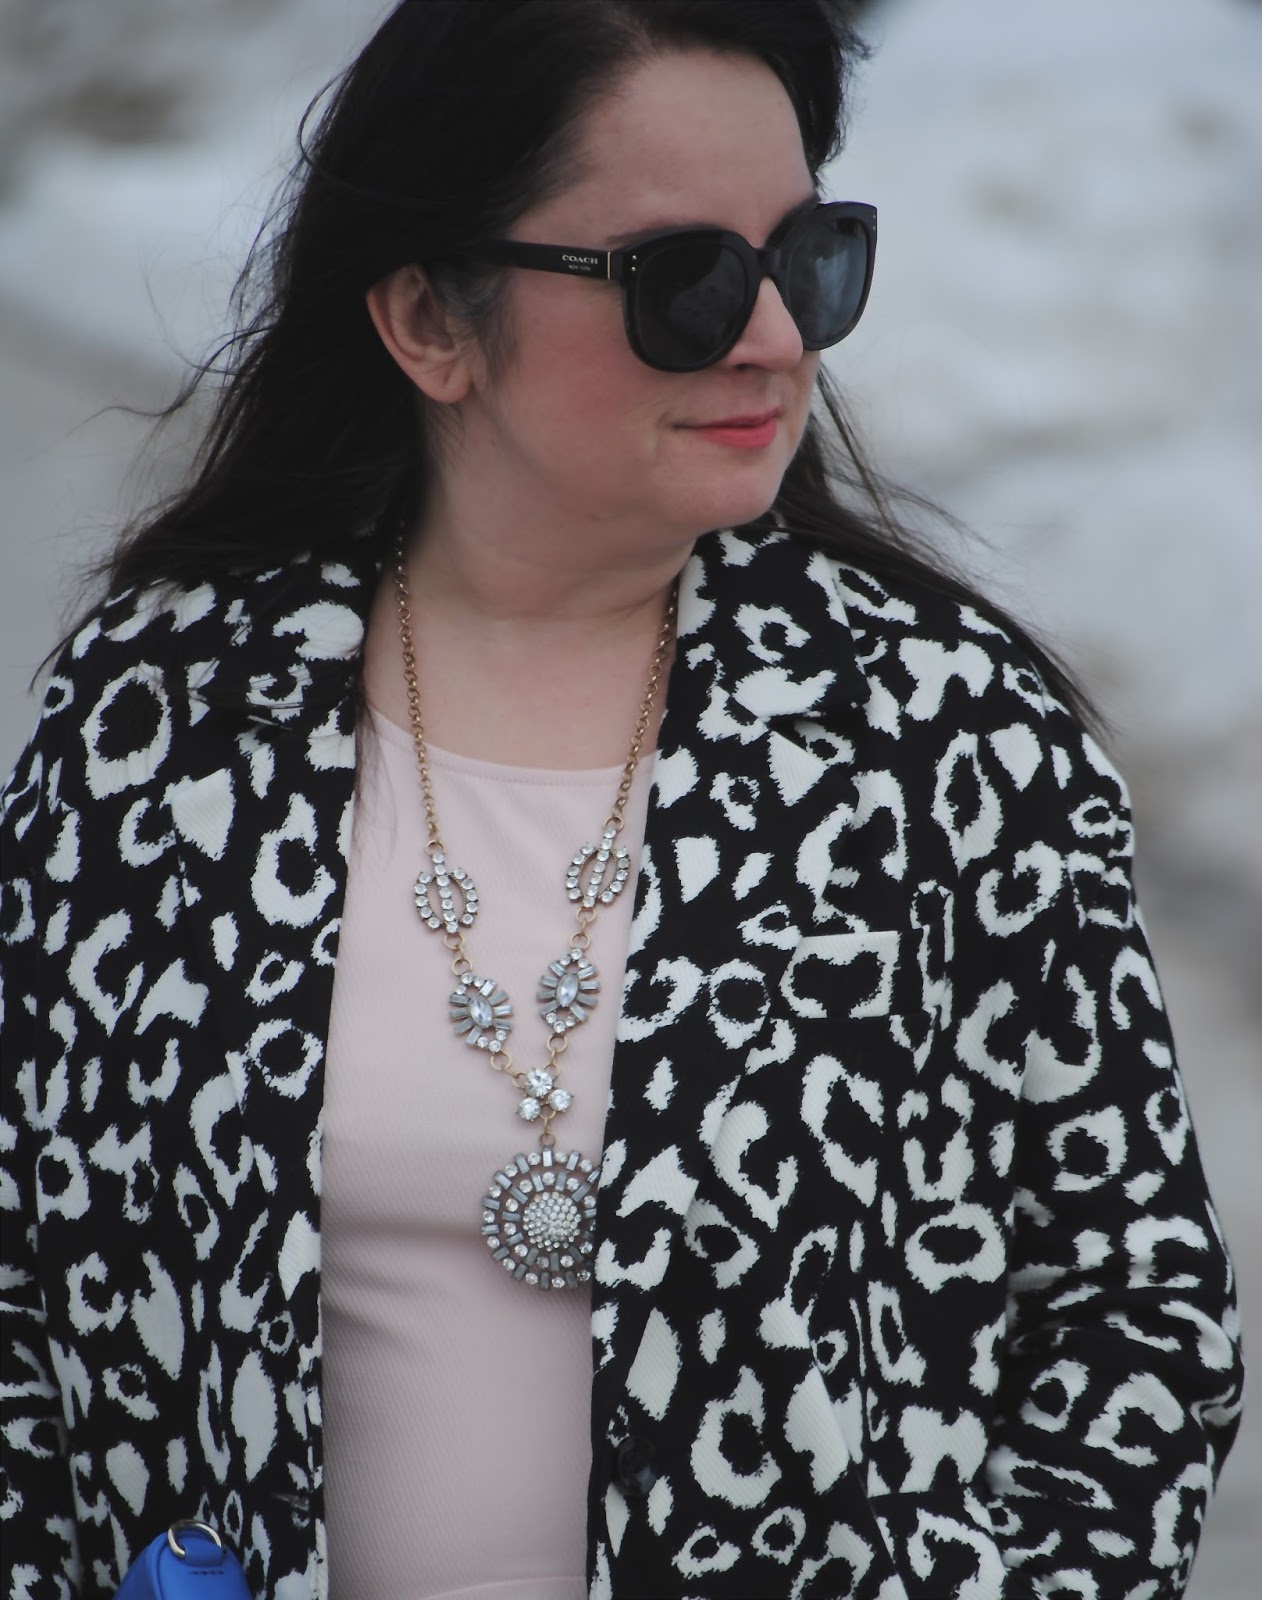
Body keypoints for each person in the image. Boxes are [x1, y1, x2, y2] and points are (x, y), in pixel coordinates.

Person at [0, 2, 1244, 1596]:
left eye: (809, 258)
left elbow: (1134, 1309)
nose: (775, 337)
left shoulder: (941, 736)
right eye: (685, 279)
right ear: (429, 322)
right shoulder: (164, 722)